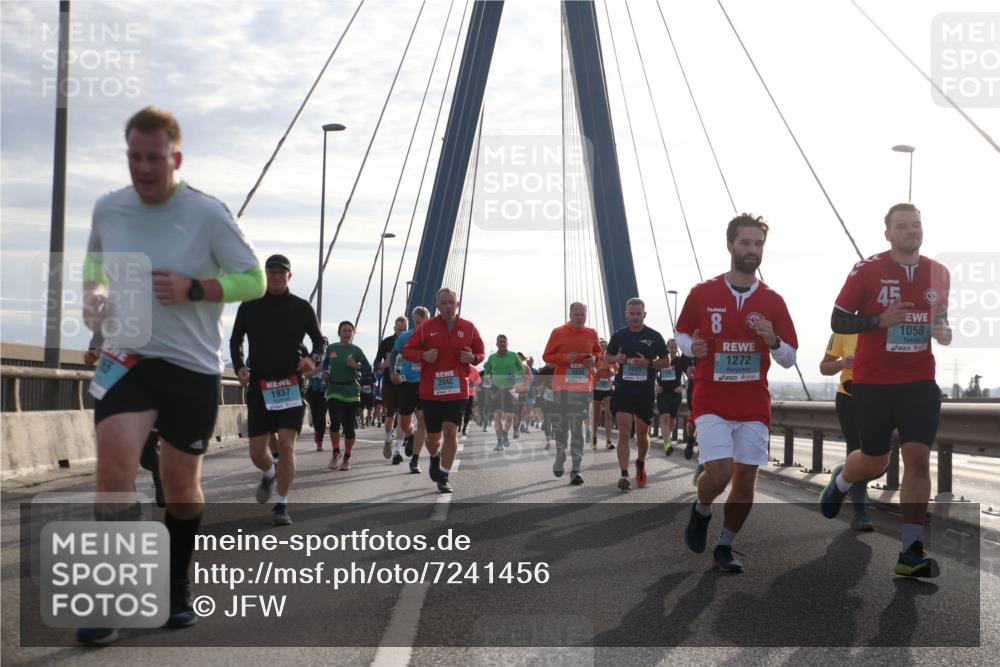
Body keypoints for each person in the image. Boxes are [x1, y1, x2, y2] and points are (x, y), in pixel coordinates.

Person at [80, 106, 264, 644]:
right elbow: (94, 263)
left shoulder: (207, 214)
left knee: (181, 487)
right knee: (114, 461)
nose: (143, 167)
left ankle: (176, 583)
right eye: (134, 157)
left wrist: (197, 289)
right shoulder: (109, 209)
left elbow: (251, 279)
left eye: (153, 158)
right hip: (127, 358)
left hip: (190, 366)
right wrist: (93, 295)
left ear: (175, 157)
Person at [821, 203, 951, 578]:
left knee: (917, 457)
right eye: (903, 226)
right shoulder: (867, 270)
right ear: (888, 234)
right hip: (874, 382)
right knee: (876, 461)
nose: (912, 231)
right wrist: (880, 320)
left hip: (920, 382)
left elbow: (941, 322)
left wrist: (943, 333)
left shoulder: (938, 273)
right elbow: (838, 318)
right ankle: (842, 480)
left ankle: (910, 550)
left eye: (916, 225)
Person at [676, 213, 798, 573]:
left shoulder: (773, 301)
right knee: (720, 472)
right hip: (712, 400)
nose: (752, 250)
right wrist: (691, 348)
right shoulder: (703, 293)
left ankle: (725, 546)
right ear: (730, 245)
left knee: (745, 481)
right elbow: (681, 334)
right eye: (745, 243)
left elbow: (789, 357)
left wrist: (772, 340)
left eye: (758, 244)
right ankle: (701, 509)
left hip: (753, 403)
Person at [230, 254, 323, 526]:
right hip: (260, 384)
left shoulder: (301, 307)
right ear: (265, 275)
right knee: (257, 453)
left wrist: (313, 360)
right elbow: (236, 340)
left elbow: (319, 341)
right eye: (272, 272)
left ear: (289, 276)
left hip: (292, 383)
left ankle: (281, 504)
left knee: (286, 443)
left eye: (282, 273)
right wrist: (239, 367)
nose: (277, 276)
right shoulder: (249, 306)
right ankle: (270, 471)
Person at [401, 288, 485, 493]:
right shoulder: (426, 327)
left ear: (457, 304)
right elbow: (407, 351)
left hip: (457, 389)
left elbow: (481, 353)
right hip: (431, 391)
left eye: (452, 302)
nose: (448, 306)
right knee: (432, 437)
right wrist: (424, 355)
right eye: (444, 303)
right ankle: (434, 457)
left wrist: (473, 358)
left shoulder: (469, 327)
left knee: (450, 430)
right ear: (437, 306)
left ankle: (444, 476)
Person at [85, 333, 163, 508]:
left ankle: (160, 473)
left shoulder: (158, 314)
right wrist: (91, 355)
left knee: (146, 455)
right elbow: (94, 350)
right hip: (115, 392)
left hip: (148, 394)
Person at [605, 298, 670, 491]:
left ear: (644, 315)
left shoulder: (654, 336)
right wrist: (616, 358)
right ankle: (624, 474)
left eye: (638, 314)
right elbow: (607, 357)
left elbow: (666, 361)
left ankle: (640, 462)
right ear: (626, 314)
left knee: (642, 434)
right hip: (624, 389)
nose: (634, 317)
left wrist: (648, 364)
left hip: (644, 392)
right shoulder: (619, 336)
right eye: (631, 313)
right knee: (624, 432)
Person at [543, 302, 603, 485]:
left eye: (582, 314)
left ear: (586, 314)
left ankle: (576, 469)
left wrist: (593, 359)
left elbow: (598, 355)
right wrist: (564, 358)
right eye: (576, 314)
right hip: (561, 388)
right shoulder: (558, 332)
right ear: (570, 314)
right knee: (562, 427)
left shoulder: (591, 333)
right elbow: (546, 356)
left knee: (577, 427)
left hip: (582, 388)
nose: (579, 317)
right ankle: (560, 455)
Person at [819, 332, 872, 531]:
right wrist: (843, 364)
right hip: (849, 396)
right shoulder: (842, 330)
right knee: (859, 451)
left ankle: (844, 473)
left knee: (879, 459)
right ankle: (861, 514)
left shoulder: (889, 327)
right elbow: (824, 367)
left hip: (881, 397)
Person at [323, 321, 370, 471]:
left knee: (349, 428)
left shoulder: (356, 351)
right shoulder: (331, 348)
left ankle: (347, 456)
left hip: (351, 391)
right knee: (335, 422)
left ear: (353, 333)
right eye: (344, 330)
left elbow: (368, 369)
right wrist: (325, 372)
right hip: (334, 389)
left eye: (350, 331)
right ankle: (336, 452)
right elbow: (326, 363)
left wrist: (355, 366)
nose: (347, 333)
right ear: (339, 332)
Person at [388, 307, 429, 471]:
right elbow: (393, 354)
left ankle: (415, 460)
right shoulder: (405, 336)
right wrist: (392, 372)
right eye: (418, 322)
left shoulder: (433, 337)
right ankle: (410, 437)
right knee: (404, 423)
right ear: (413, 321)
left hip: (425, 384)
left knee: (422, 419)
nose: (420, 326)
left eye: (423, 322)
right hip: (407, 384)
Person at [483, 335, 523, 450]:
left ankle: (505, 433)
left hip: (510, 389)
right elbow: (487, 370)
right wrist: (487, 383)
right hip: (496, 388)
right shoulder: (492, 357)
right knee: (497, 416)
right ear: (496, 344)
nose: (502, 343)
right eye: (500, 342)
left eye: (504, 342)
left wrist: (515, 376)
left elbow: (521, 369)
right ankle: (499, 442)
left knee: (509, 418)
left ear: (507, 343)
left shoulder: (513, 355)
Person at [374, 317, 407, 458]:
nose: (402, 332)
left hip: (406, 383)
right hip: (389, 384)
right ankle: (388, 439)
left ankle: (398, 450)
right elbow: (376, 362)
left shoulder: (412, 341)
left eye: (405, 329)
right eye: (399, 330)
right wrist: (383, 365)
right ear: (394, 329)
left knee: (403, 417)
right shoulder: (387, 342)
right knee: (390, 416)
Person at [656, 338, 688, 455]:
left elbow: (691, 375)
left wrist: (683, 387)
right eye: (671, 347)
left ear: (677, 348)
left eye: (675, 347)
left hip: (675, 394)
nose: (673, 349)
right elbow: (650, 374)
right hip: (663, 393)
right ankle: (667, 444)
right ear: (667, 348)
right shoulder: (661, 361)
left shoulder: (680, 361)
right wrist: (655, 386)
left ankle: (667, 438)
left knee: (672, 422)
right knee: (664, 418)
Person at [305, 337, 330, 451]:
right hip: (313, 388)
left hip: (325, 388)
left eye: (324, 343)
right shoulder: (310, 357)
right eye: (320, 342)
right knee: (315, 415)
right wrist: (319, 367)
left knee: (322, 414)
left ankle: (320, 441)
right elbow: (306, 375)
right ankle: (317, 431)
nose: (322, 344)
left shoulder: (330, 356)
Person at [591, 339, 616, 450]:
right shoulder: (594, 358)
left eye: (605, 346)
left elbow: (617, 370)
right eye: (601, 346)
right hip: (596, 387)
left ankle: (608, 441)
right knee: (596, 415)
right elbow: (590, 370)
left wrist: (612, 372)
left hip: (607, 388)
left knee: (608, 414)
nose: (603, 347)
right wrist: (598, 369)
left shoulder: (610, 358)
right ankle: (594, 438)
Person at [462, 365, 481, 437]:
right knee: (460, 411)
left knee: (467, 411)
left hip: (470, 394)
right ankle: (459, 425)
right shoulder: (459, 367)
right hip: (460, 394)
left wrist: (474, 383)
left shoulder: (474, 370)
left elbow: (479, 379)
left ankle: (464, 428)